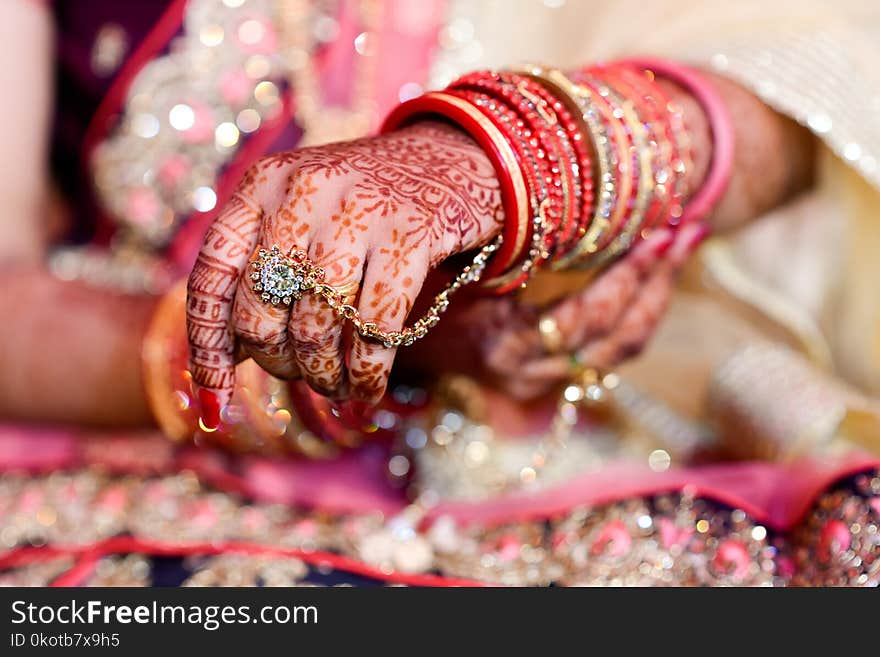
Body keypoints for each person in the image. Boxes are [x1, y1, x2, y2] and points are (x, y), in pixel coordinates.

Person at [0, 0, 878, 586]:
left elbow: (811, 80)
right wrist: (356, 339)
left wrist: (503, 164)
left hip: (624, 435)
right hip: (153, 468)